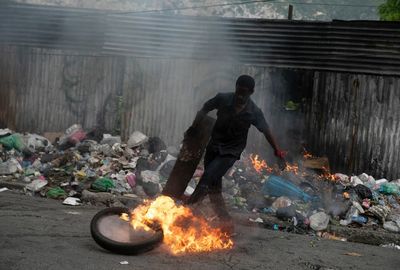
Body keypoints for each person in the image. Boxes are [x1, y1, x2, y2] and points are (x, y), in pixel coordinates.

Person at [185, 74, 286, 234]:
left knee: (208, 177)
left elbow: (266, 131)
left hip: (230, 152)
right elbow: (205, 108)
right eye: (238, 91)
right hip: (214, 147)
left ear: (251, 92)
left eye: (244, 93)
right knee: (214, 188)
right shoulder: (223, 99)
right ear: (235, 88)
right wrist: (194, 127)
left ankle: (186, 213)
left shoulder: (254, 112)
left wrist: (277, 152)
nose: (240, 96)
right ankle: (227, 224)